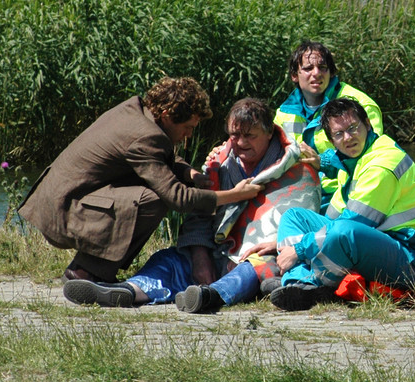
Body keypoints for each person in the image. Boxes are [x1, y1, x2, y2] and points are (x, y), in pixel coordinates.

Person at [60, 98, 320, 310]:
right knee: (170, 259)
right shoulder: (219, 162)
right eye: (233, 135)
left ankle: (210, 297)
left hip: (263, 255)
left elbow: (300, 221)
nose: (239, 144)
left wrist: (268, 248)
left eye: (249, 136)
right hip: (217, 250)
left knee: (257, 267)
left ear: (268, 132)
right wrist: (199, 255)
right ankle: (127, 291)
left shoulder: (297, 166)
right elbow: (199, 215)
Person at [19, 77, 262, 288]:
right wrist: (235, 194)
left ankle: (86, 267)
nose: (188, 136)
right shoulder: (146, 136)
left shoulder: (135, 112)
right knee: (154, 200)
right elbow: (178, 198)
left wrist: (192, 174)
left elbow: (164, 156)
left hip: (59, 200)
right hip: (64, 211)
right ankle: (88, 271)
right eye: (187, 128)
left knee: (154, 191)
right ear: (167, 115)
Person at [245, 97, 415, 312]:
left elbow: (351, 225)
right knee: (295, 217)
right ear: (331, 140)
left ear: (367, 124)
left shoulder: (382, 164)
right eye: (339, 134)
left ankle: (314, 284)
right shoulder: (351, 162)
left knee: (343, 232)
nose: (348, 138)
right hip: (380, 243)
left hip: (413, 257)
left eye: (353, 128)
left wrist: (299, 249)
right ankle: (297, 284)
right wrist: (285, 243)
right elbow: (331, 220)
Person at [274, 40, 383, 207]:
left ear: (331, 72)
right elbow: (269, 154)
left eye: (323, 67)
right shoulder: (284, 112)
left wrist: (322, 161)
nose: (316, 73)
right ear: (294, 75)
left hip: (346, 194)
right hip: (299, 194)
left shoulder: (360, 104)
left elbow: (371, 154)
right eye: (308, 68)